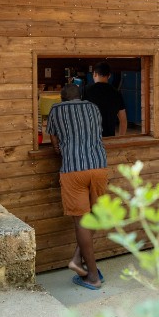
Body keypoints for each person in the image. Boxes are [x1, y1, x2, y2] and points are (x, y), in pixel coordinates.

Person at [47, 83, 107, 290]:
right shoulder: (93, 107)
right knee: (97, 215)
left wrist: (58, 148)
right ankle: (77, 260)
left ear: (62, 98)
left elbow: (53, 137)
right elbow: (98, 132)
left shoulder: (56, 109)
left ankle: (92, 276)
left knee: (82, 221)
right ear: (80, 96)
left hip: (73, 169)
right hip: (99, 166)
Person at [84, 62, 127, 137]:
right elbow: (123, 120)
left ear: (94, 74)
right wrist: (121, 138)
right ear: (109, 76)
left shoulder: (86, 91)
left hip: (91, 139)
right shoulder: (116, 93)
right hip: (110, 138)